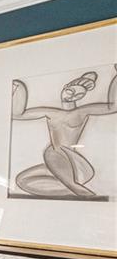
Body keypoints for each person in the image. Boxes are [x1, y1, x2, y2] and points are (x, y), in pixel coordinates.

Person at [11, 66, 117, 199]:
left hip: (65, 156)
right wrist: (19, 88)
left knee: (68, 178)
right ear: (65, 87)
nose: (72, 96)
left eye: (78, 95)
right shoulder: (52, 113)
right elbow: (18, 114)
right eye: (71, 91)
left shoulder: (81, 112)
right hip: (58, 159)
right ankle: (73, 190)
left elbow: (112, 106)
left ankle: (91, 198)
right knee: (22, 180)